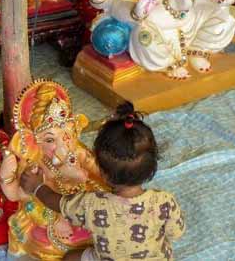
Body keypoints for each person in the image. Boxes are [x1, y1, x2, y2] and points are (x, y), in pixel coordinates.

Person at [18, 102, 185, 261]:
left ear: (103, 174)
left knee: (70, 258)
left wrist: (37, 186)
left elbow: (58, 203)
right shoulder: (165, 201)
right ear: (151, 168)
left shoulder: (93, 205)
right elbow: (176, 232)